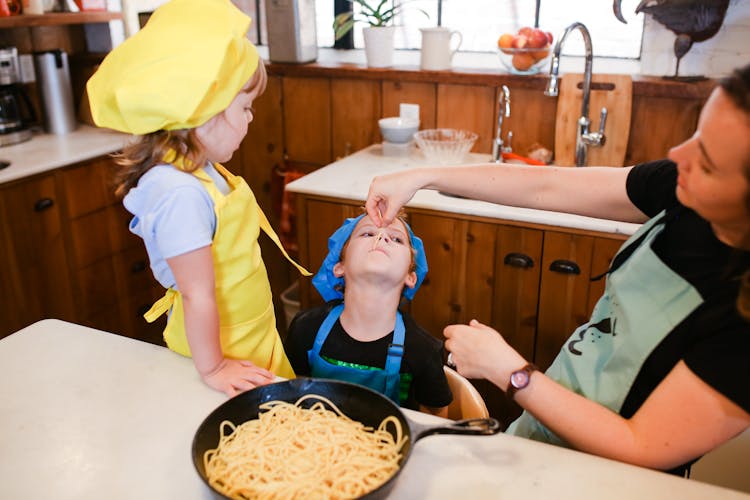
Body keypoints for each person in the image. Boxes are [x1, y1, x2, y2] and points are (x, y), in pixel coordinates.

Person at [365, 64, 750, 474]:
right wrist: (424, 175)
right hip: (545, 425)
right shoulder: (679, 186)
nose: (678, 157)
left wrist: (510, 372)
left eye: (707, 163)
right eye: (696, 135)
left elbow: (640, 445)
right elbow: (545, 186)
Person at [86, 0, 310, 397]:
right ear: (204, 112)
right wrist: (214, 368)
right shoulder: (180, 195)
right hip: (220, 349)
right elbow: (196, 292)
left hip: (250, 332)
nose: (251, 119)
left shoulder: (201, 169)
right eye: (245, 107)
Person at [284, 211, 452, 416]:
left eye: (397, 239)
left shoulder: (422, 349)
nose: (382, 238)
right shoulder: (306, 329)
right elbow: (287, 398)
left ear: (411, 277)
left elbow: (435, 419)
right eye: (367, 234)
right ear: (339, 267)